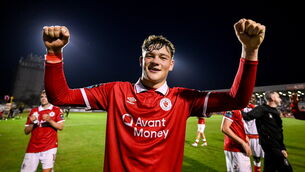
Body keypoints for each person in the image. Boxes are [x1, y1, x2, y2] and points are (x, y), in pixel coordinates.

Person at [42, 18, 265, 171]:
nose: (156, 61)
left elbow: (238, 99)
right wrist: (54, 53)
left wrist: (250, 51)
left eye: (163, 57)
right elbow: (61, 97)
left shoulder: (183, 99)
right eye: (150, 55)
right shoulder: (115, 91)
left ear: (172, 65)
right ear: (142, 61)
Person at [242, 91, 293, 172]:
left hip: (276, 146)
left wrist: (282, 147)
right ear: (272, 98)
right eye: (278, 97)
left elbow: (279, 131)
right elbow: (247, 116)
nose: (280, 99)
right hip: (270, 146)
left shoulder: (276, 111)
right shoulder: (261, 109)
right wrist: (235, 107)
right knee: (287, 169)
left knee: (269, 169)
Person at [21, 90, 64, 172]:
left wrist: (50, 120)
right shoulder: (34, 111)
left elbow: (61, 127)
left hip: (49, 146)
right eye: (42, 97)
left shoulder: (57, 110)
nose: (43, 99)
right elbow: (26, 131)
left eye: (46, 97)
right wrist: (33, 123)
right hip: (33, 147)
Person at [242, 94, 264, 172]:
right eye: (249, 97)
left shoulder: (258, 108)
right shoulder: (240, 108)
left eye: (253, 97)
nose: (251, 99)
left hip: (256, 137)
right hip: (244, 137)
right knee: (243, 158)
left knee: (257, 158)